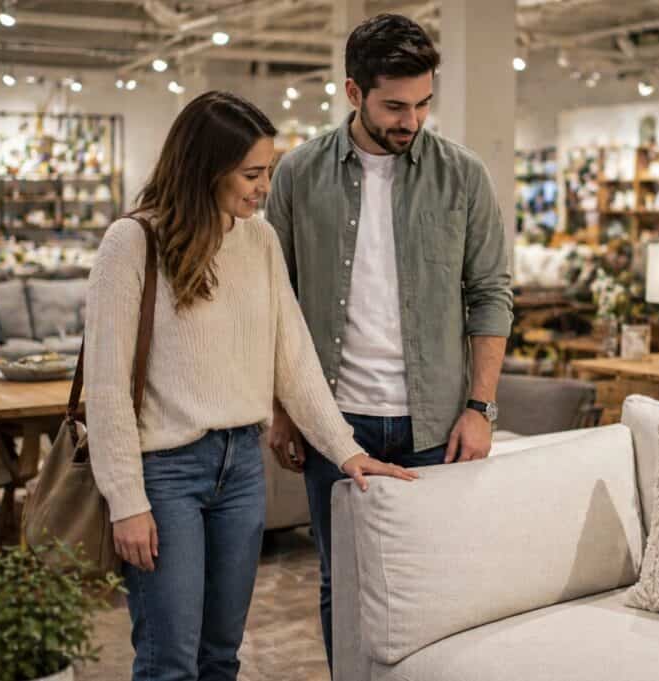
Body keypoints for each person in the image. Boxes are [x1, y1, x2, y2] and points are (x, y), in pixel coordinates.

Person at [85, 90, 417, 681]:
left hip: (241, 468)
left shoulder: (259, 241)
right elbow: (107, 388)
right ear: (205, 168)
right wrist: (126, 502)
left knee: (221, 657)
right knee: (169, 662)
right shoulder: (132, 243)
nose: (265, 187)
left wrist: (348, 452)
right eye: (252, 173)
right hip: (165, 474)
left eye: (268, 171)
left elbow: (295, 360)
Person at [266, 13, 514, 670]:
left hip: (436, 424)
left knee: (437, 582)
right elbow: (276, 301)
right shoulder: (297, 174)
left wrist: (480, 406)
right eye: (395, 106)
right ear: (354, 94)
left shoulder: (462, 176)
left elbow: (491, 292)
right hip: (333, 422)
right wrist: (284, 406)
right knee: (339, 582)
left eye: (423, 103)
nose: (411, 120)